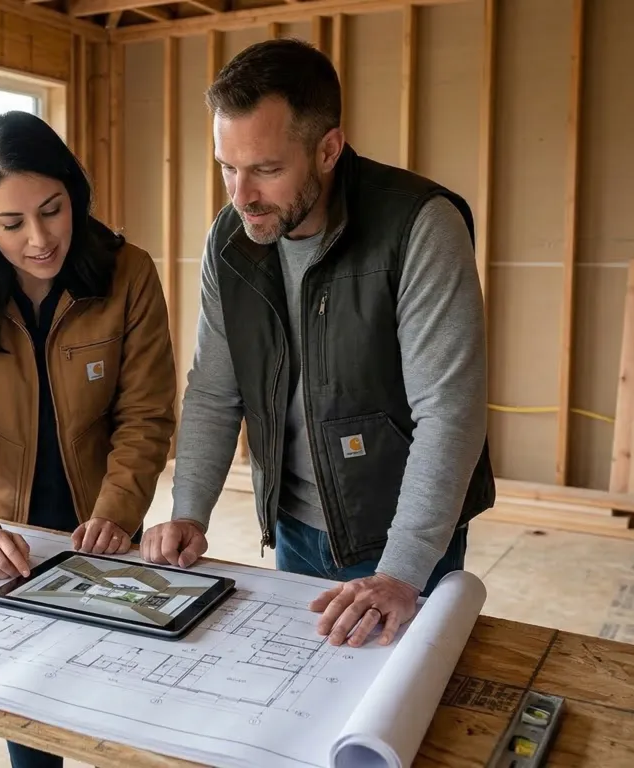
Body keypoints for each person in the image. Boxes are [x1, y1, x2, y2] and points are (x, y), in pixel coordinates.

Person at [140, 39, 494, 651]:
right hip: (294, 525)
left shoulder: (420, 225)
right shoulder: (231, 239)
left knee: (399, 701)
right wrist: (189, 510)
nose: (241, 195)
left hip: (401, 537)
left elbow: (449, 412)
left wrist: (401, 572)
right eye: (227, 166)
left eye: (266, 169)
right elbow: (215, 389)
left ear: (328, 149)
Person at [0, 110, 177, 768]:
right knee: (30, 719)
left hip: (106, 525)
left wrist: (117, 514)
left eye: (52, 210)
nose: (40, 238)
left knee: (126, 712)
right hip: (10, 535)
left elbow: (145, 414)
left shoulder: (128, 272)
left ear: (72, 194)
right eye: (12, 223)